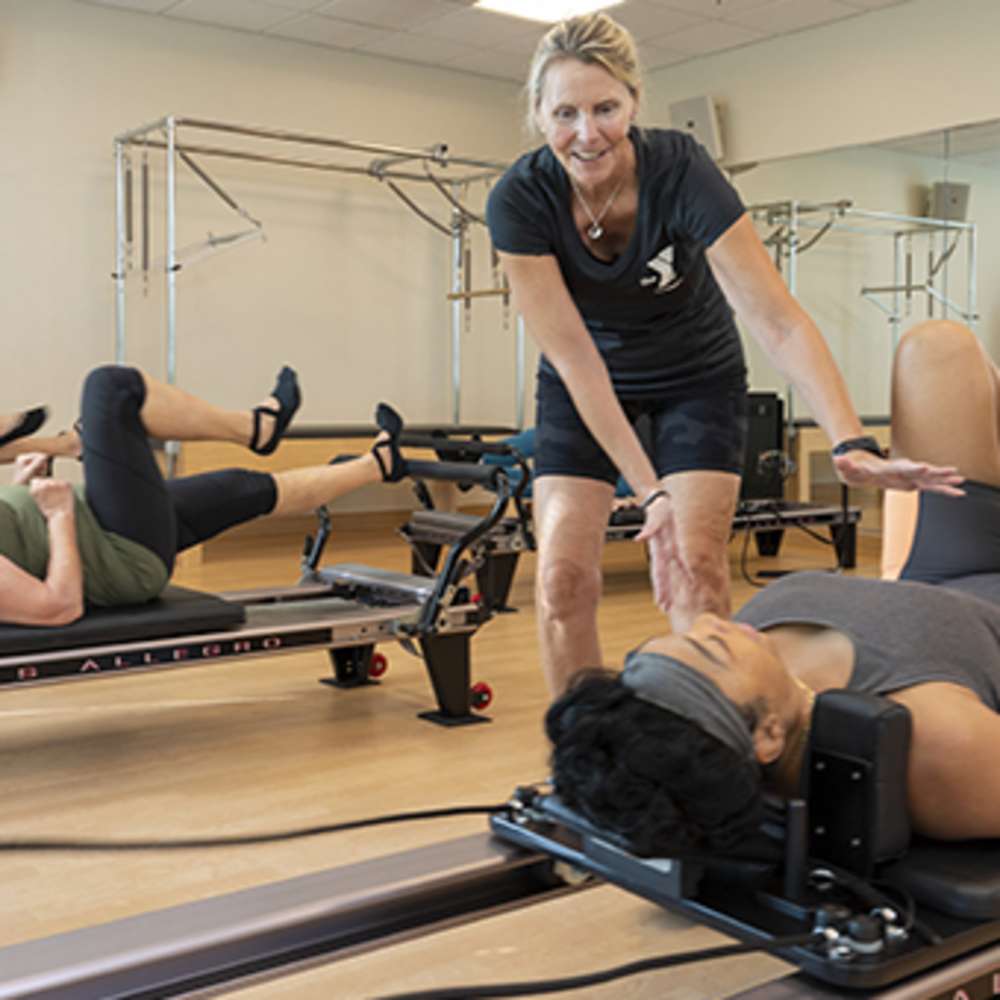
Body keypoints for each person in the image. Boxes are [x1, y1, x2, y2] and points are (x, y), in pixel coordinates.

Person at [486, 13, 959, 695]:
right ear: (537, 113)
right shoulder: (520, 200)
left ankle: (707, 744)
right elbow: (576, 359)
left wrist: (848, 438)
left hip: (695, 376)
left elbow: (777, 319)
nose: (587, 133)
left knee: (697, 567)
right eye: (565, 112)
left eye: (605, 108)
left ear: (634, 103)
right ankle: (583, 759)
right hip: (585, 380)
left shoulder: (681, 171)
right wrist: (648, 492)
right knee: (562, 579)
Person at [546, 319, 1000, 847]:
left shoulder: (752, 672)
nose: (719, 627)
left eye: (689, 639)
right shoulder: (937, 746)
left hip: (946, 568)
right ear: (766, 737)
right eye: (715, 652)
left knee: (935, 348)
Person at [0, 364, 408, 627]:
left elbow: (15, 546)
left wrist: (20, 484)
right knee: (110, 388)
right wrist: (58, 517)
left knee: (243, 487)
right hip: (121, 552)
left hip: (103, 524)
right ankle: (254, 428)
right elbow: (58, 606)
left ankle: (378, 463)